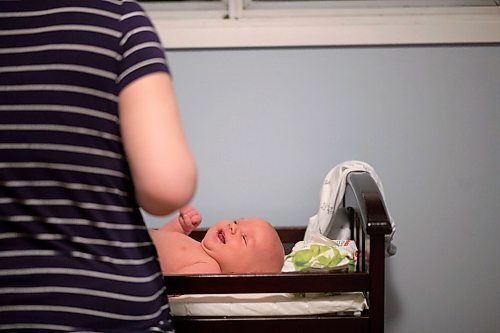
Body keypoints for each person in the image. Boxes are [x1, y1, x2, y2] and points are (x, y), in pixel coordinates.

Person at [0, 1, 196, 332]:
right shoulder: (119, 24)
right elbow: (167, 188)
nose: (232, 227)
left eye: (243, 235)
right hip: (102, 300)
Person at [149, 207, 285, 274]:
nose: (233, 227)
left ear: (243, 275)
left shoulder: (209, 268)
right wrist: (180, 226)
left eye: (244, 238)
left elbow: (170, 285)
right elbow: (163, 238)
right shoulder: (197, 247)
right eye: (236, 222)